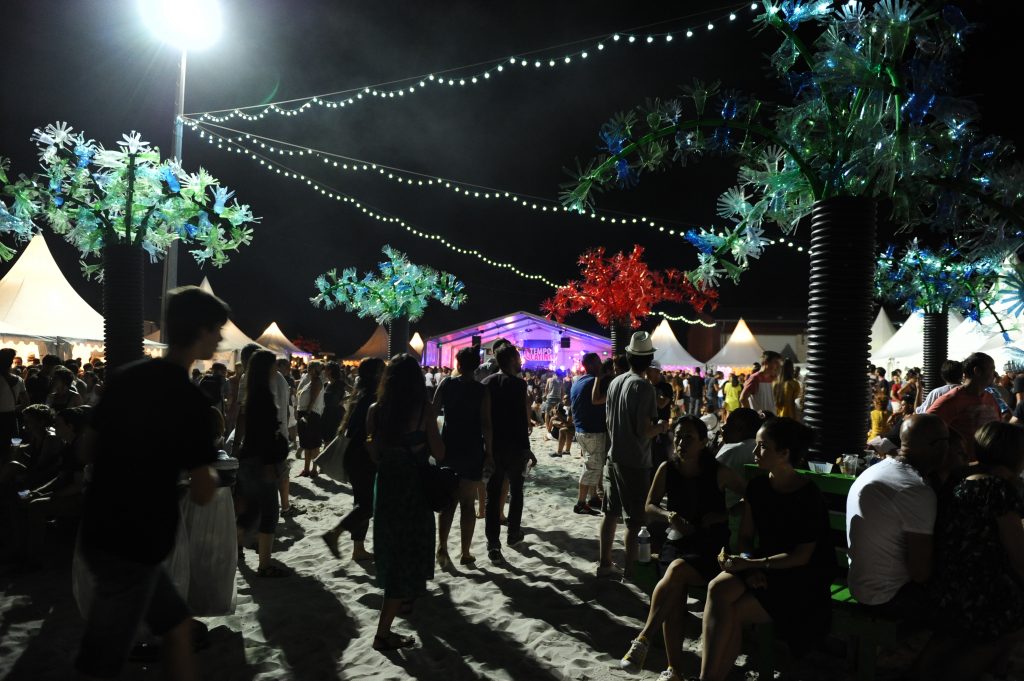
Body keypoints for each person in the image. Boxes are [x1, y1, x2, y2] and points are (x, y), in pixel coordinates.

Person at [74, 285, 224, 681]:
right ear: (201, 331)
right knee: (102, 661)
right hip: (134, 543)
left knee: (176, 627)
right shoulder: (190, 401)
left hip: (101, 528)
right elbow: (202, 492)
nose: (221, 338)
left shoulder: (127, 377)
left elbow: (86, 449)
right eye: (218, 330)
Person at [701, 418, 835, 681]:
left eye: (762, 446)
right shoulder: (758, 487)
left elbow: (802, 557)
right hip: (762, 565)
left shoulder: (809, 496)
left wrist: (754, 564)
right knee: (717, 588)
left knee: (734, 611)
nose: (755, 451)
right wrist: (749, 564)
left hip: (800, 578)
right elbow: (746, 537)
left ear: (784, 453)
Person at [620, 416, 746, 679]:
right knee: (674, 594)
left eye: (689, 437)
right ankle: (673, 670)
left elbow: (751, 496)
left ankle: (644, 638)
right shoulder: (668, 468)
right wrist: (669, 516)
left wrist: (724, 515)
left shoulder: (718, 471)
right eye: (678, 436)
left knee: (676, 571)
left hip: (710, 545)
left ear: (703, 442)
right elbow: (649, 506)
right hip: (678, 539)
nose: (681, 442)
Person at [923, 422, 1024, 681]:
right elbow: (1019, 556)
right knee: (1010, 621)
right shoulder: (997, 490)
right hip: (976, 590)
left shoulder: (960, 479)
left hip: (948, 579)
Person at [366, 354, 445, 651]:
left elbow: (373, 453)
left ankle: (404, 601)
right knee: (410, 547)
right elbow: (439, 453)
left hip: (387, 486)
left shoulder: (376, 410)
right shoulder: (424, 410)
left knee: (391, 545)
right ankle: (383, 633)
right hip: (414, 488)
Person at [846, 414, 947, 625]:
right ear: (938, 446)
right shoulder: (915, 489)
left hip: (859, 586)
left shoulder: (877, 470)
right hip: (888, 597)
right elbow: (920, 573)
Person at [598, 331, 671, 579]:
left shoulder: (616, 382)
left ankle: (604, 563)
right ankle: (630, 571)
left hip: (613, 455)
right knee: (634, 520)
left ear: (629, 357)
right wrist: (661, 427)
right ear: (649, 360)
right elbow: (644, 430)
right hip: (635, 460)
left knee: (610, 513)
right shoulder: (644, 387)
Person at [432, 346, 493, 567]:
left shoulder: (447, 384)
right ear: (476, 367)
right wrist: (489, 453)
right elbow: (486, 424)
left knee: (448, 501)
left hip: (448, 447)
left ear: (458, 364)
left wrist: (433, 443)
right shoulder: (481, 391)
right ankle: (465, 552)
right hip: (472, 448)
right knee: (467, 503)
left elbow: (432, 413)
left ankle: (442, 547)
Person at [235, 349, 290, 577]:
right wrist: (269, 466)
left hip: (248, 458)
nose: (276, 369)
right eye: (273, 365)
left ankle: (237, 548)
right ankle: (265, 565)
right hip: (261, 461)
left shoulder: (252, 394)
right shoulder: (264, 398)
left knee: (250, 509)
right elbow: (265, 435)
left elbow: (245, 428)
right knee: (269, 512)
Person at [323, 357, 384, 562]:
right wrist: (373, 449)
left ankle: (358, 548)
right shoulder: (372, 397)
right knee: (368, 505)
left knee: (362, 502)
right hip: (363, 456)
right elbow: (367, 433)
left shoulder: (361, 394)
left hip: (355, 455)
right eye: (382, 370)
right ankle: (335, 534)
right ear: (376, 374)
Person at [482, 344, 535, 564]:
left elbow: (484, 418)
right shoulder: (519, 384)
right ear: (512, 360)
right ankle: (513, 533)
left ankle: (493, 543)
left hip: (495, 446)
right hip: (515, 446)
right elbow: (521, 420)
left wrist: (487, 448)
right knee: (516, 491)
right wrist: (527, 448)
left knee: (493, 496)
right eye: (518, 358)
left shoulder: (487, 382)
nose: (521, 361)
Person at [926, 352, 1000, 460]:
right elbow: (925, 427)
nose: (995, 375)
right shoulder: (951, 399)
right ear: (977, 371)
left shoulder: (990, 398)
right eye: (992, 369)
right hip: (963, 467)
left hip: (988, 463)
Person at [571, 352, 606, 515]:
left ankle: (593, 497)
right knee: (592, 467)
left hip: (580, 430)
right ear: (592, 365)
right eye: (599, 362)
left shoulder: (578, 381)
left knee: (592, 464)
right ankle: (580, 502)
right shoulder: (594, 381)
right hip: (593, 431)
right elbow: (597, 399)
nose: (601, 365)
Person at [296, 361, 325, 477]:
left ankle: (314, 469)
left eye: (310, 367)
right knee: (307, 443)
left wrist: (306, 414)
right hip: (307, 413)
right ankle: (306, 469)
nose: (308, 368)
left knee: (314, 444)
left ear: (315, 369)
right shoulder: (311, 381)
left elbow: (313, 399)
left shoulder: (317, 381)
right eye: (308, 367)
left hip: (311, 415)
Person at [0, 348, 27, 460]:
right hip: (11, 419)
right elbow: (26, 402)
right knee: (11, 450)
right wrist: (12, 407)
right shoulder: (19, 380)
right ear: (11, 362)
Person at [648, 360, 675, 469]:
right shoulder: (646, 386)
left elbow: (662, 404)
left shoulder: (666, 387)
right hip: (648, 425)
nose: (647, 373)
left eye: (650, 370)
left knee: (661, 456)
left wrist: (651, 390)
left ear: (657, 371)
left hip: (661, 427)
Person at [319, 361, 346, 449]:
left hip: (336, 414)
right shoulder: (326, 384)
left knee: (331, 440)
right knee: (326, 439)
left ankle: (327, 456)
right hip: (326, 413)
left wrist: (343, 400)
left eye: (325, 369)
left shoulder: (339, 383)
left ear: (330, 371)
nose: (323, 371)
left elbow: (355, 391)